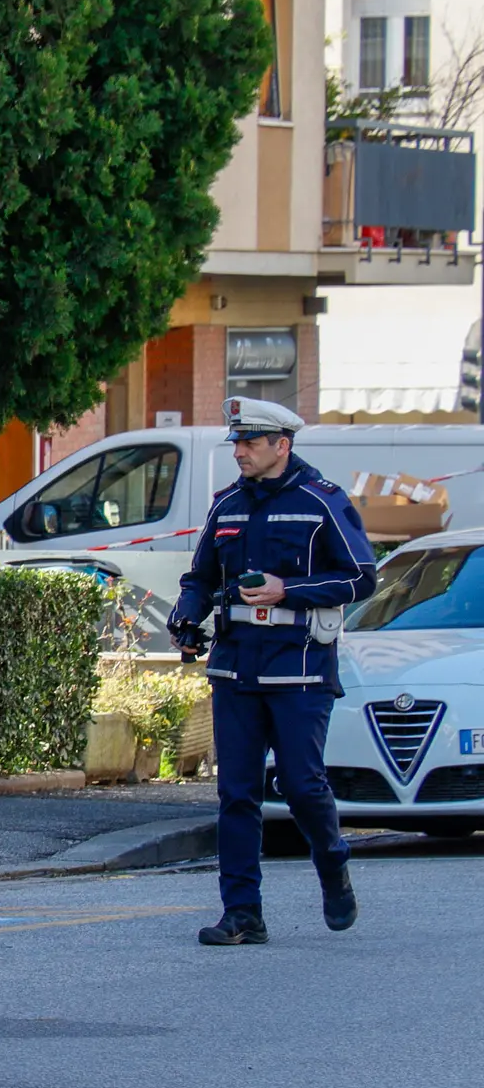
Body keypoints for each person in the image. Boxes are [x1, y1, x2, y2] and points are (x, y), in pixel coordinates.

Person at [169, 396, 379, 945]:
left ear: (281, 445)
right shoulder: (227, 505)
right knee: (237, 793)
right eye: (236, 442)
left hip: (300, 667)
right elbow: (200, 577)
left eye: (250, 442)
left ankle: (333, 866)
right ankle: (243, 914)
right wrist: (186, 615)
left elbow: (361, 578)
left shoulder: (321, 501)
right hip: (236, 667)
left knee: (302, 784)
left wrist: (289, 589)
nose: (238, 451)